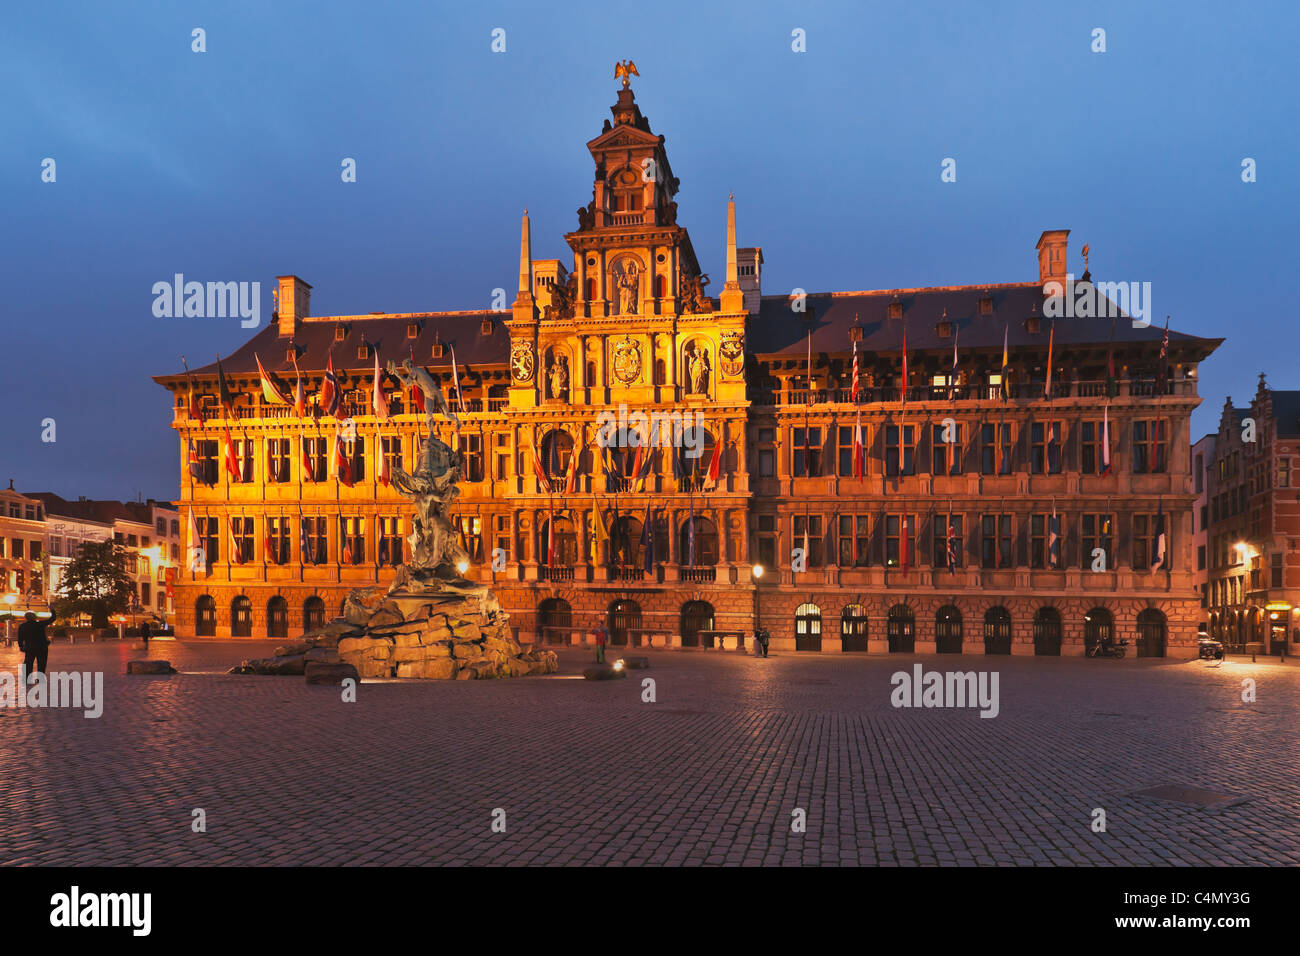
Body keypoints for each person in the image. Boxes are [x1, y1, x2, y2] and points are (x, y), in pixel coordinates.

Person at [16, 612, 51, 680]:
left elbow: (20, 638)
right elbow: (52, 619)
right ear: (34, 617)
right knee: (41, 664)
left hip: (29, 647)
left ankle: (27, 678)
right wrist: (52, 610)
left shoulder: (23, 626)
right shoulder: (40, 624)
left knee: (28, 663)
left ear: (26, 617)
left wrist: (21, 646)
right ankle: (40, 678)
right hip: (41, 647)